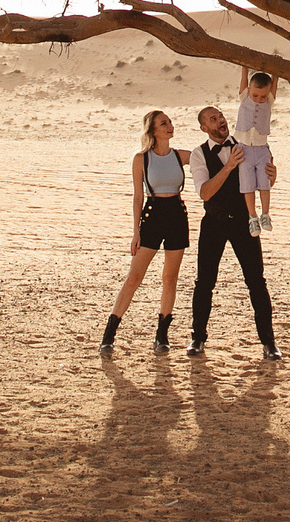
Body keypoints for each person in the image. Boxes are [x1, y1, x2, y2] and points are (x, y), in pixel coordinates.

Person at [188, 95, 278, 359]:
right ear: (204, 128)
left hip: (244, 222)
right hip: (213, 223)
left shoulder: (247, 144)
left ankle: (269, 343)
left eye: (221, 116)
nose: (221, 121)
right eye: (213, 119)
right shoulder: (198, 155)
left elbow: (265, 175)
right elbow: (204, 193)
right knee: (204, 282)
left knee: (256, 282)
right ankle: (197, 339)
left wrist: (273, 174)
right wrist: (228, 167)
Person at [101, 109, 192, 351]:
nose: (170, 126)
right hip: (152, 217)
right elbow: (138, 196)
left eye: (170, 122)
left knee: (169, 278)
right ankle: (109, 335)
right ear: (153, 131)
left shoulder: (181, 155)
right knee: (134, 277)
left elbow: (212, 158)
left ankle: (162, 336)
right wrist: (135, 232)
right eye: (164, 124)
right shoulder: (141, 159)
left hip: (177, 215)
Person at [235, 70, 278, 230]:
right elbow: (243, 79)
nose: (259, 99)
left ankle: (265, 214)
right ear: (249, 91)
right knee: (247, 184)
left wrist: (276, 73)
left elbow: (274, 86)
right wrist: (245, 67)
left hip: (261, 149)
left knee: (264, 182)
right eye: (255, 96)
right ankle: (252, 217)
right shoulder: (244, 97)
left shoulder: (269, 101)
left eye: (262, 97)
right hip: (244, 148)